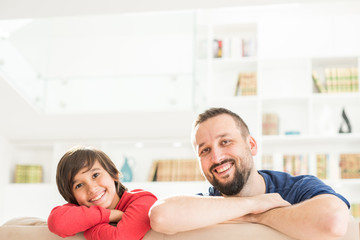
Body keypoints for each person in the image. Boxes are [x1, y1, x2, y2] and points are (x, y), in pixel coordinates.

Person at [149, 107, 351, 240]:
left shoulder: (298, 188)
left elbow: (332, 220)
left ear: (251, 145)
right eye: (205, 150)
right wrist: (254, 205)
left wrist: (259, 217)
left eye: (225, 142)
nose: (217, 158)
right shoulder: (207, 204)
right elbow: (160, 216)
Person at [48, 146, 157, 240]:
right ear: (72, 197)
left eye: (95, 175)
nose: (91, 188)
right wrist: (111, 215)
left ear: (114, 174)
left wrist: (89, 227)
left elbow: (120, 238)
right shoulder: (77, 209)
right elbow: (57, 223)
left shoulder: (143, 200)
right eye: (79, 185)